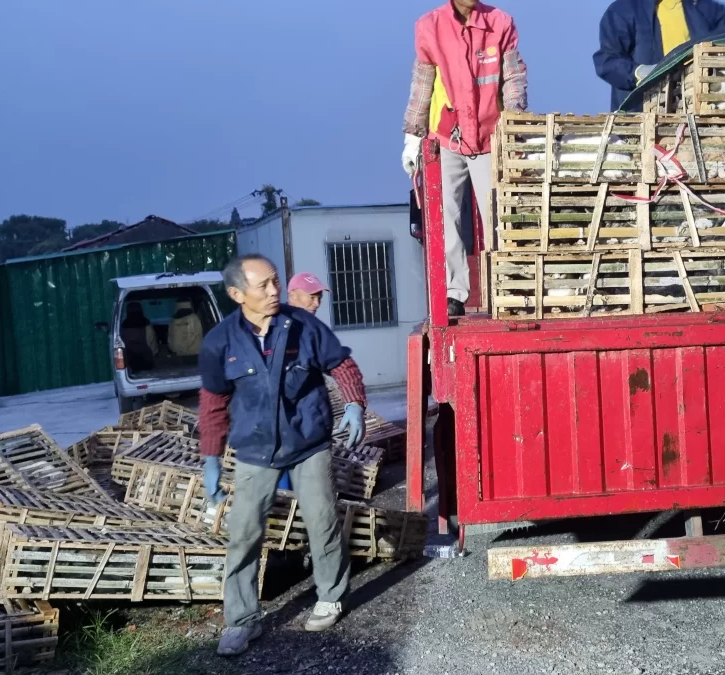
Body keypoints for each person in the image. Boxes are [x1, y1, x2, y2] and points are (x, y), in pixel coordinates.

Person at [197, 254, 369, 657]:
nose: (275, 291)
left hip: (308, 443)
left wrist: (355, 402)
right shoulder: (220, 342)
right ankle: (242, 620)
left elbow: (341, 364)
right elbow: (213, 405)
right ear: (237, 293)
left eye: (276, 281)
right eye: (264, 285)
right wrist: (210, 459)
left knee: (322, 520)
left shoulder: (303, 325)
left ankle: (330, 596)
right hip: (255, 451)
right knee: (243, 533)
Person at [400, 0, 528, 317]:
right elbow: (422, 83)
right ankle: (455, 292)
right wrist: (412, 135)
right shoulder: (429, 26)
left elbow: (513, 78)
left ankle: (507, 286)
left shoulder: (500, 22)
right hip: (447, 136)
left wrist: (515, 124)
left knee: (498, 215)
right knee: (447, 218)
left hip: (489, 135)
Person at [593, 0, 725, 112]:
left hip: (698, 106)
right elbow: (606, 61)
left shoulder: (702, 8)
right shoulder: (625, 10)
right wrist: (638, 73)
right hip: (644, 115)